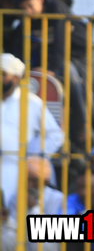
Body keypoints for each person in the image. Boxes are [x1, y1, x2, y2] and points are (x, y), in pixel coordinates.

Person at [12, 0, 94, 149]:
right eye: (23, 9)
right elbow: (18, 43)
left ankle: (93, 137)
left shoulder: (55, 8)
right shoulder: (28, 19)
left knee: (85, 93)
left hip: (81, 55)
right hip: (59, 59)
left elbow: (61, 42)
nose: (28, 11)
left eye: (30, 6)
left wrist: (51, 69)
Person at [0, 53, 64, 207]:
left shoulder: (31, 102)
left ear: (16, 78)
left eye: (3, 74)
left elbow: (55, 135)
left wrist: (34, 154)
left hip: (17, 168)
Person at [1, 157, 65, 251]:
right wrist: (7, 219)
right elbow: (13, 227)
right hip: (22, 241)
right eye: (27, 179)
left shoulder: (57, 198)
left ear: (46, 181)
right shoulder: (16, 196)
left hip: (45, 244)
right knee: (6, 238)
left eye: (34, 180)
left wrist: (34, 208)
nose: (29, 185)